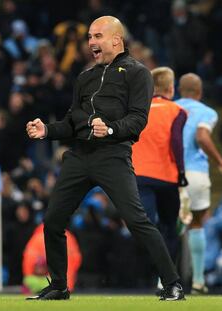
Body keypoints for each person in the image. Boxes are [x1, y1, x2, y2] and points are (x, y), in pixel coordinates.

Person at [25, 16, 184, 300]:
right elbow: (71, 123)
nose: (91, 43)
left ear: (116, 39)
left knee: (137, 221)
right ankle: (60, 286)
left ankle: (172, 283)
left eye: (97, 36)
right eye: (89, 37)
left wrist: (110, 128)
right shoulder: (85, 77)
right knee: (53, 219)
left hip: (113, 155)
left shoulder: (138, 73)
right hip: (79, 156)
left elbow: (138, 119)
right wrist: (46, 130)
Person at [132, 67, 187, 269]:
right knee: (169, 228)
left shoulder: (137, 110)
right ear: (171, 88)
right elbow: (176, 141)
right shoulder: (177, 111)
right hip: (167, 177)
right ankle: (166, 278)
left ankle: (153, 267)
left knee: (146, 226)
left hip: (139, 176)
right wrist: (181, 171)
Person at [176, 73, 222, 294]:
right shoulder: (207, 112)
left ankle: (163, 281)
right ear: (200, 91)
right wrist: (220, 161)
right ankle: (197, 281)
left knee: (169, 226)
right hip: (196, 174)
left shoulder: (170, 109)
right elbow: (202, 136)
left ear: (179, 90)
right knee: (196, 224)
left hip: (170, 174)